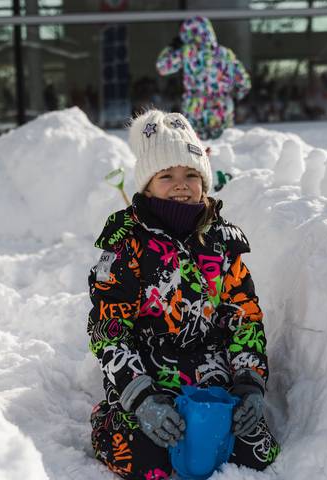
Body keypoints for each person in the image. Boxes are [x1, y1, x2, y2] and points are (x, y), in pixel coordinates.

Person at [88, 109, 280, 479]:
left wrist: (249, 382)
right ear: (147, 185)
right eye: (167, 175)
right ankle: (108, 420)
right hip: (148, 374)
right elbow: (109, 328)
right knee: (147, 461)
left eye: (191, 174)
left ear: (204, 183)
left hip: (210, 379)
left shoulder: (222, 242)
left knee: (257, 450)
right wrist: (140, 397)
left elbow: (244, 317)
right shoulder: (127, 244)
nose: (181, 183)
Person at [156, 17, 251, 140]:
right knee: (224, 146)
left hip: (195, 108)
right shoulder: (226, 54)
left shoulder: (187, 52)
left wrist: (172, 47)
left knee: (195, 148)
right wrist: (234, 97)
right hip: (221, 108)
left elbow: (162, 67)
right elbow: (244, 82)